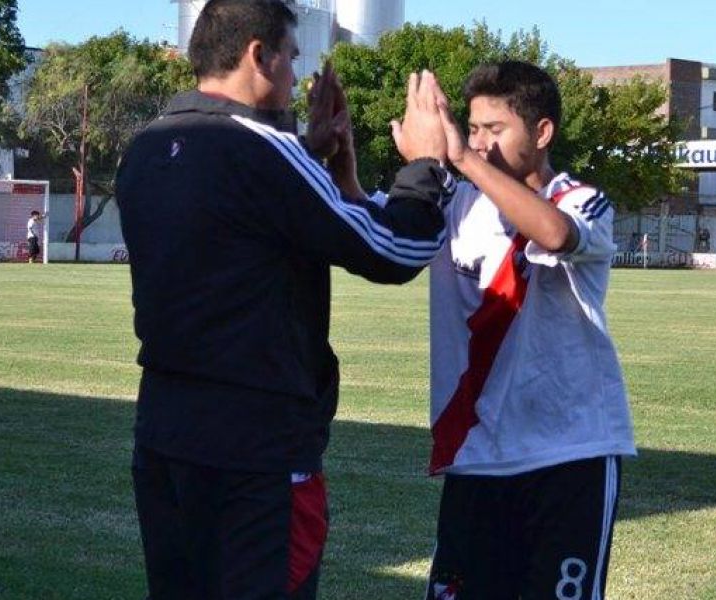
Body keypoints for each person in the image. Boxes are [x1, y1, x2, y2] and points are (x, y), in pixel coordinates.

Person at [115, 1, 453, 598]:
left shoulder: (145, 149)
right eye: (292, 58)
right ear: (258, 55)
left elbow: (246, 232)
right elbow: (396, 251)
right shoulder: (264, 151)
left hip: (165, 433)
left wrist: (309, 151)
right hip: (257, 449)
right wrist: (425, 164)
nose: (297, 77)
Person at [409, 61, 636, 599]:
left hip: (569, 454)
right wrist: (343, 159)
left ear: (542, 133)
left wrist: (461, 156)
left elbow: (556, 234)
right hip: (479, 455)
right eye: (473, 127)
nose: (480, 142)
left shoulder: (580, 200)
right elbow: (381, 231)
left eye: (495, 129)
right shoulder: (455, 204)